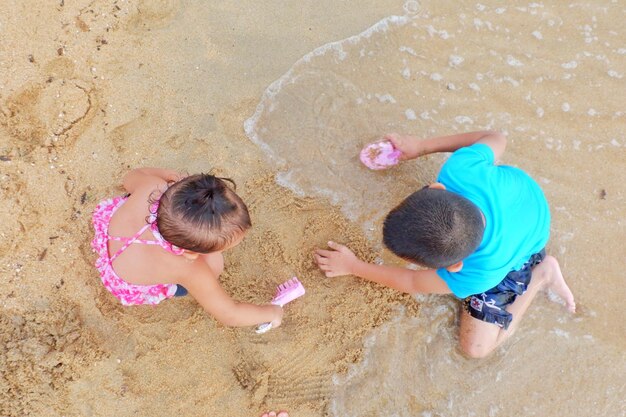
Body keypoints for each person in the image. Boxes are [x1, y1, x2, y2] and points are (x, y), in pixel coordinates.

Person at [314, 131, 575, 358]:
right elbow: (497, 138)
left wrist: (354, 266)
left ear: (455, 267)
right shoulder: (461, 169)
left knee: (476, 349)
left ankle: (542, 275)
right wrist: (421, 147)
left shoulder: (478, 274)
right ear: (438, 188)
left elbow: (412, 282)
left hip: (521, 257)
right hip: (529, 212)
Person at [91, 168, 283, 328]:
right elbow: (229, 313)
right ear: (190, 253)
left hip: (112, 240)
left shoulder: (153, 187)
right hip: (126, 281)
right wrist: (272, 312)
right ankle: (178, 287)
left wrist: (165, 174)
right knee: (214, 267)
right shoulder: (187, 267)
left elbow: (130, 177)